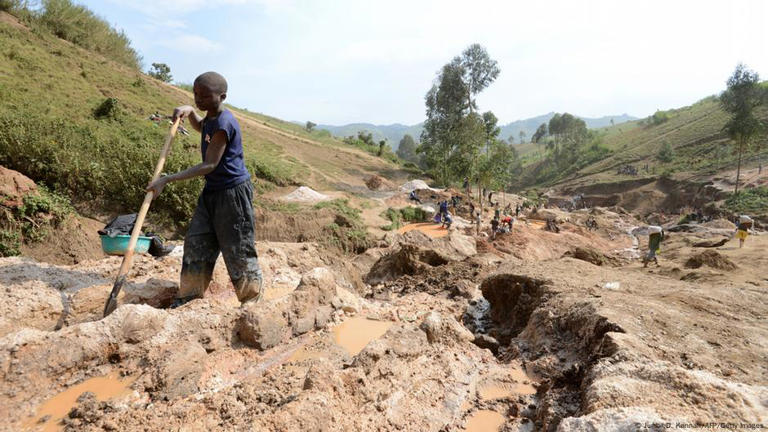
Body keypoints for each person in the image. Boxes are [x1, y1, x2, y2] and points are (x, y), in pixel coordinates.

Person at [146, 71, 263, 308]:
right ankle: (189, 298)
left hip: (232, 194)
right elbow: (201, 127)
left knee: (238, 248)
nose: (199, 99)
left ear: (222, 96)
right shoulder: (210, 117)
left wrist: (166, 179)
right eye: (196, 94)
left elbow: (209, 165)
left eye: (205, 96)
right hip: (212, 192)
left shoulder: (224, 123)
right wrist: (191, 111)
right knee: (196, 243)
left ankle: (252, 302)